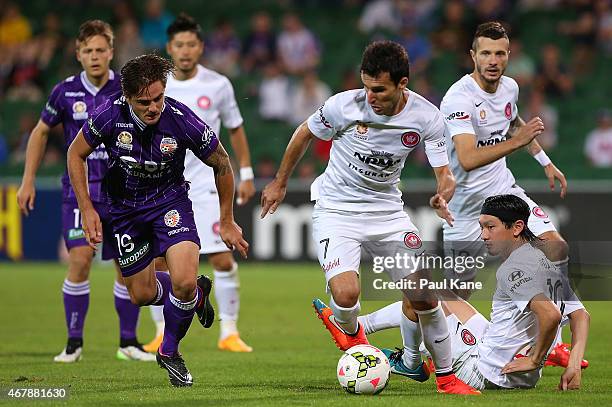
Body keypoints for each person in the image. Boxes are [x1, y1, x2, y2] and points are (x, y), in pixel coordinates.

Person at [323, 21, 585, 372]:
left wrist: (544, 160)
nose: (493, 60)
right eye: (486, 53)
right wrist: (519, 143)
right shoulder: (458, 98)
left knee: (555, 247)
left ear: (509, 55)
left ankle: (550, 342)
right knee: (443, 297)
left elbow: (512, 120)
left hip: (504, 194)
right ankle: (366, 328)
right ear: (472, 56)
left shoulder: (509, 87)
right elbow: (467, 158)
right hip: (465, 208)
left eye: (500, 53)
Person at [261, 40, 480, 395]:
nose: (370, 96)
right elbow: (303, 133)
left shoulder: (427, 117)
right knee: (346, 294)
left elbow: (446, 172)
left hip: (387, 213)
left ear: (402, 84)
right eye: (366, 86)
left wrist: (443, 192)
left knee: (423, 294)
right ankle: (348, 327)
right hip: (337, 209)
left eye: (378, 89)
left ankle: (446, 378)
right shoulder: (343, 105)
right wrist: (280, 182)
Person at [66, 54, 248, 387]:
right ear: (127, 97)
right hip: (124, 212)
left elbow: (221, 162)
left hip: (170, 204)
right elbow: (75, 153)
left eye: (159, 98)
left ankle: (169, 350)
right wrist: (88, 208)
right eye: (144, 102)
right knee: (140, 294)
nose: (154, 107)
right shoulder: (107, 114)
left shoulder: (180, 119)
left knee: (183, 280)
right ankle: (195, 296)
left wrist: (226, 220)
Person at [16, 20, 154, 363]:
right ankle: (74, 343)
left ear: (111, 53)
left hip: (122, 195)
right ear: (78, 55)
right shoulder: (64, 92)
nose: (94, 56)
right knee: (80, 259)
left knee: (128, 268)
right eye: (88, 51)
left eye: (100, 50)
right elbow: (40, 132)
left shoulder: (126, 89)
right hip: (79, 193)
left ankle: (128, 342)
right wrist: (27, 180)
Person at [386, 194, 590, 391]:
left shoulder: (513, 268)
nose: (483, 235)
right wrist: (573, 365)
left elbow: (550, 314)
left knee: (416, 292)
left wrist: (535, 359)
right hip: (522, 376)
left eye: (491, 227)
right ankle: (365, 326)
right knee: (442, 294)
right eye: (481, 227)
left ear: (517, 227)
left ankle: (409, 362)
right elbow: (581, 316)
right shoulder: (546, 262)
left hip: (482, 372)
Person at [142, 13, 255, 354]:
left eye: (191, 44)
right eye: (179, 45)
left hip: (207, 183)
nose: (186, 51)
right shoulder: (157, 87)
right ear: (169, 48)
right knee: (160, 264)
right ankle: (162, 332)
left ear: (201, 47)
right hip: (164, 186)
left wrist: (246, 172)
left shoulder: (218, 84)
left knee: (221, 258)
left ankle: (229, 332)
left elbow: (234, 127)